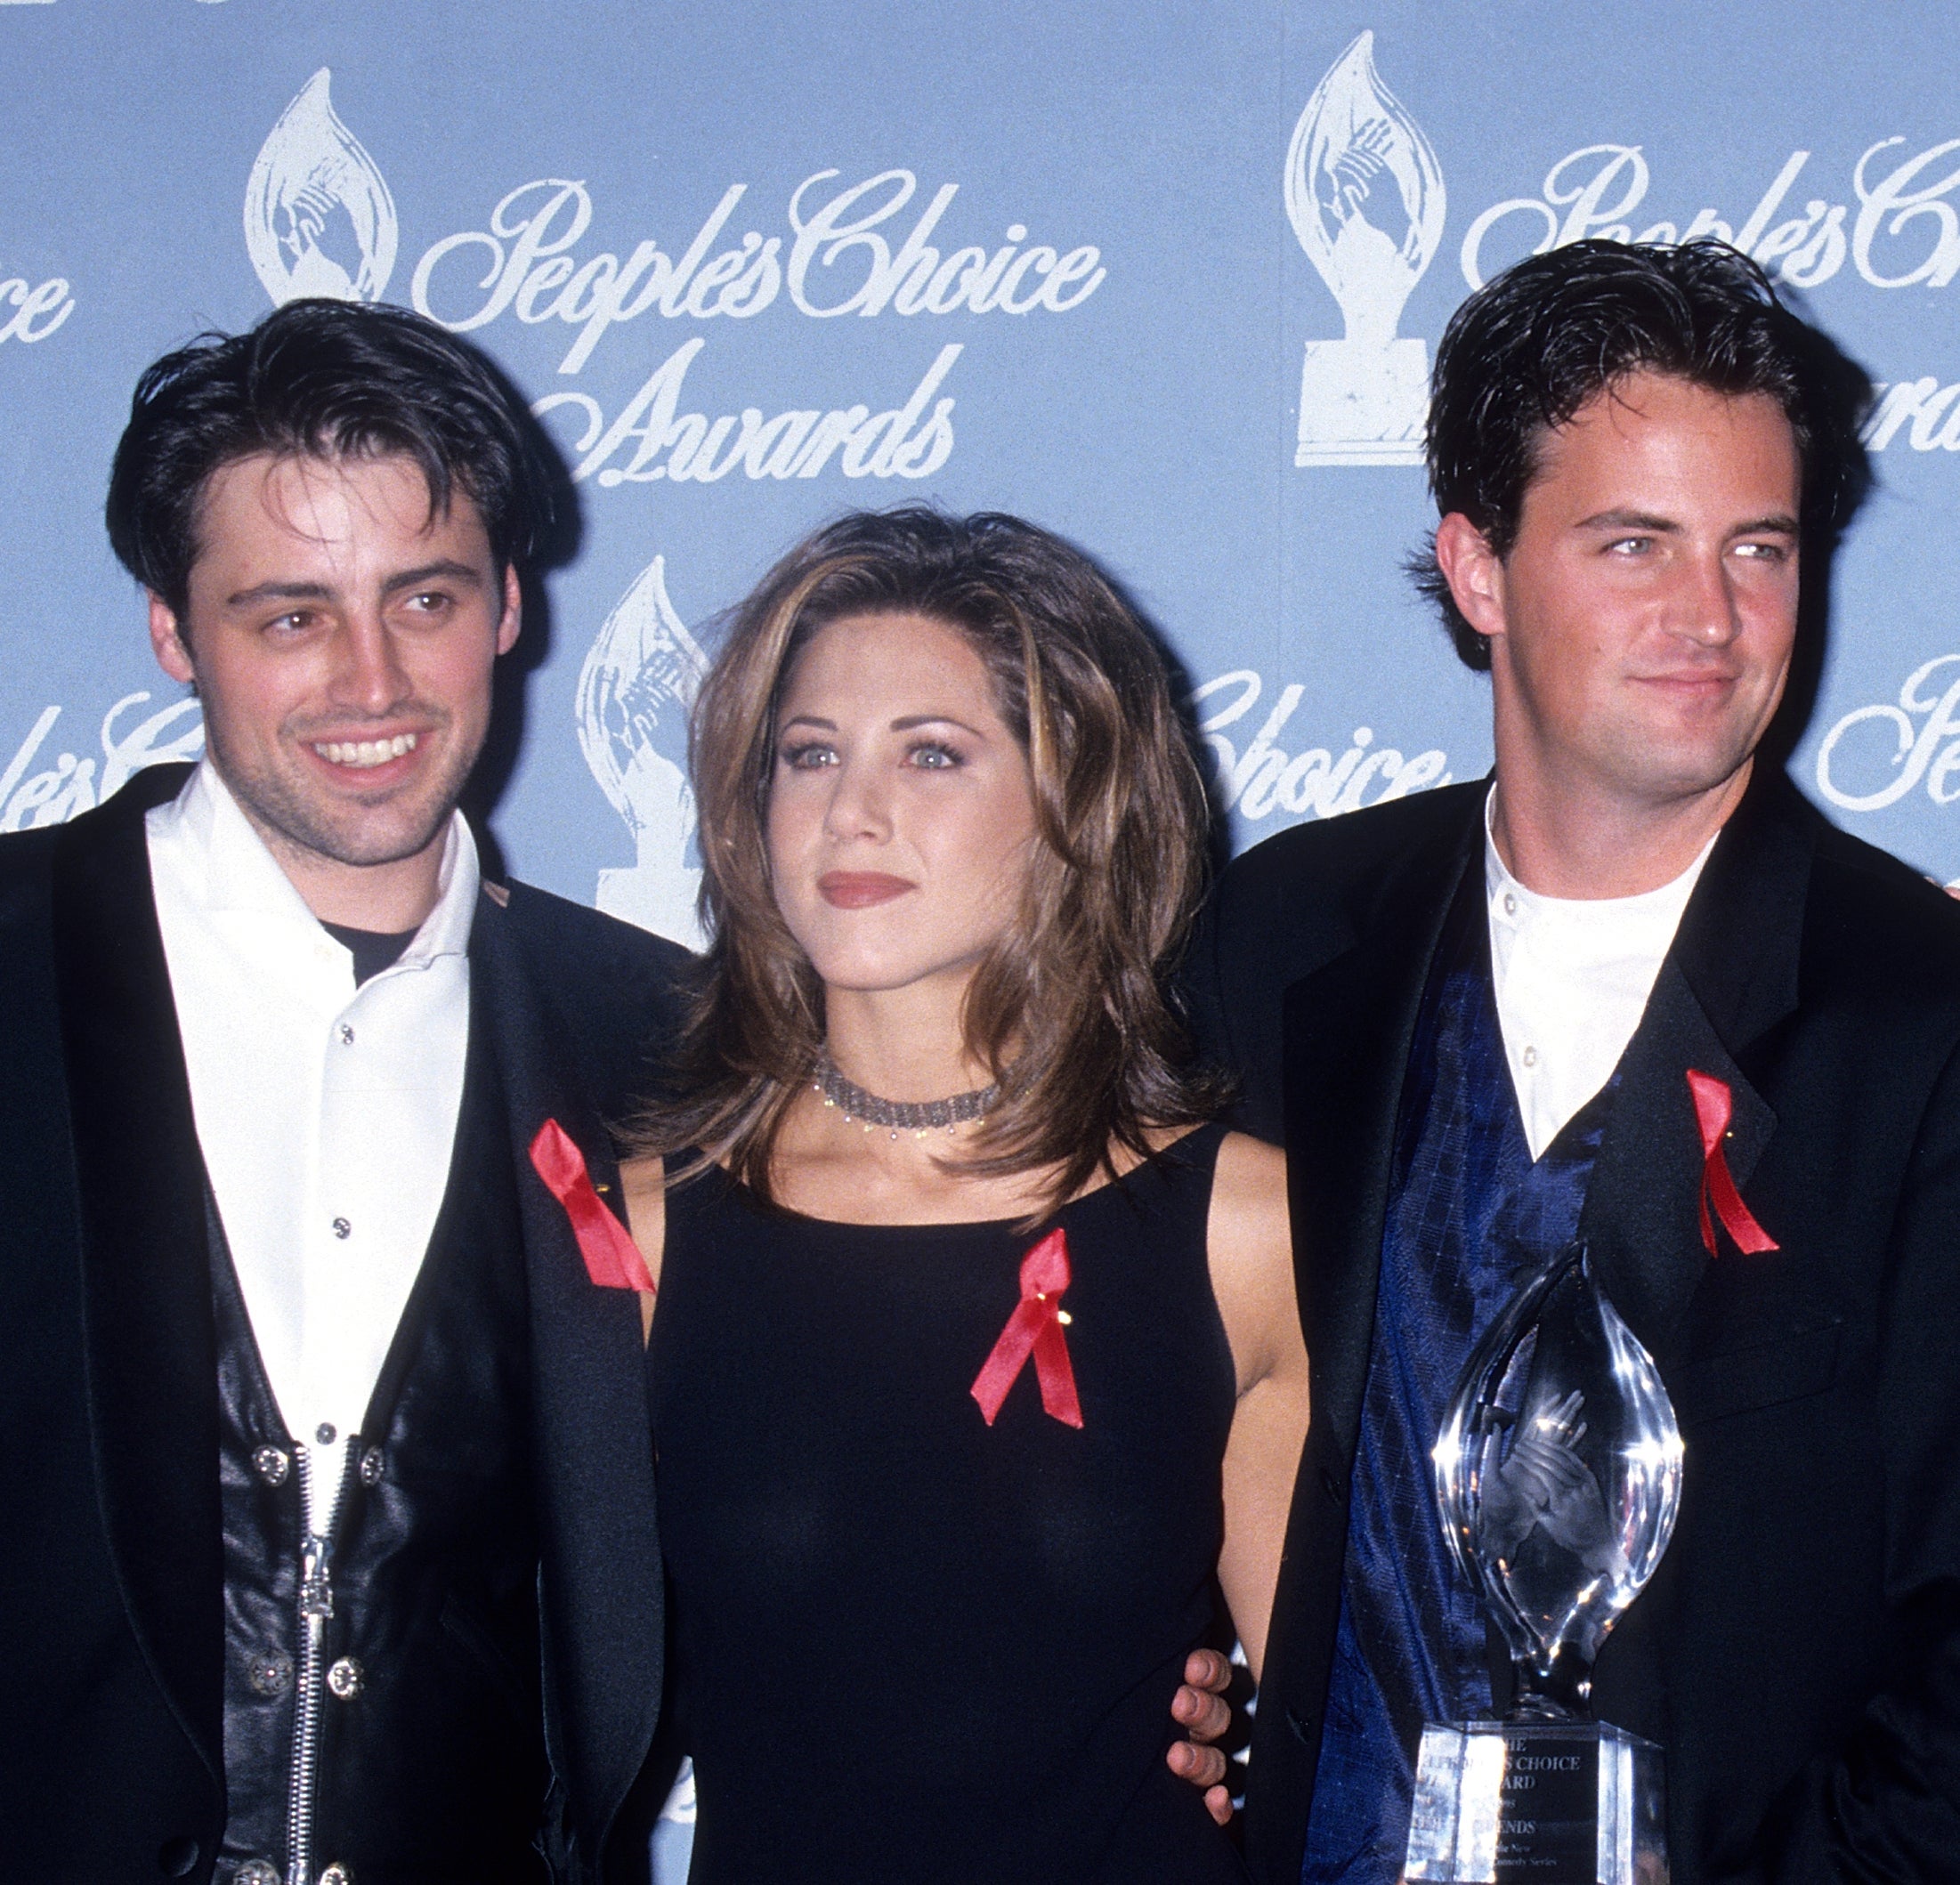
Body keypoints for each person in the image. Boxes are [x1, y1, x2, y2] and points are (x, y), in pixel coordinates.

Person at [1185, 237, 1960, 1885]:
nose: (1712, 616)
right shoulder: (1280, 935)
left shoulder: (1924, 1013)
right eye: (1633, 544)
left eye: (1761, 547)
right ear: (1476, 566)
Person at [0, 301, 690, 1885]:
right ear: (173, 630)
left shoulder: (659, 1044)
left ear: (510, 602)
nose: (371, 681)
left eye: (424, 596)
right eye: (289, 615)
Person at [615, 506, 1311, 1883]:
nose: (848, 810)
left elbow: (1358, 1733)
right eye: (807, 753)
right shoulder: (637, 1231)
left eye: (931, 753)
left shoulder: (1240, 1227)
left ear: (1076, 809)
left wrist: (1257, 1746)